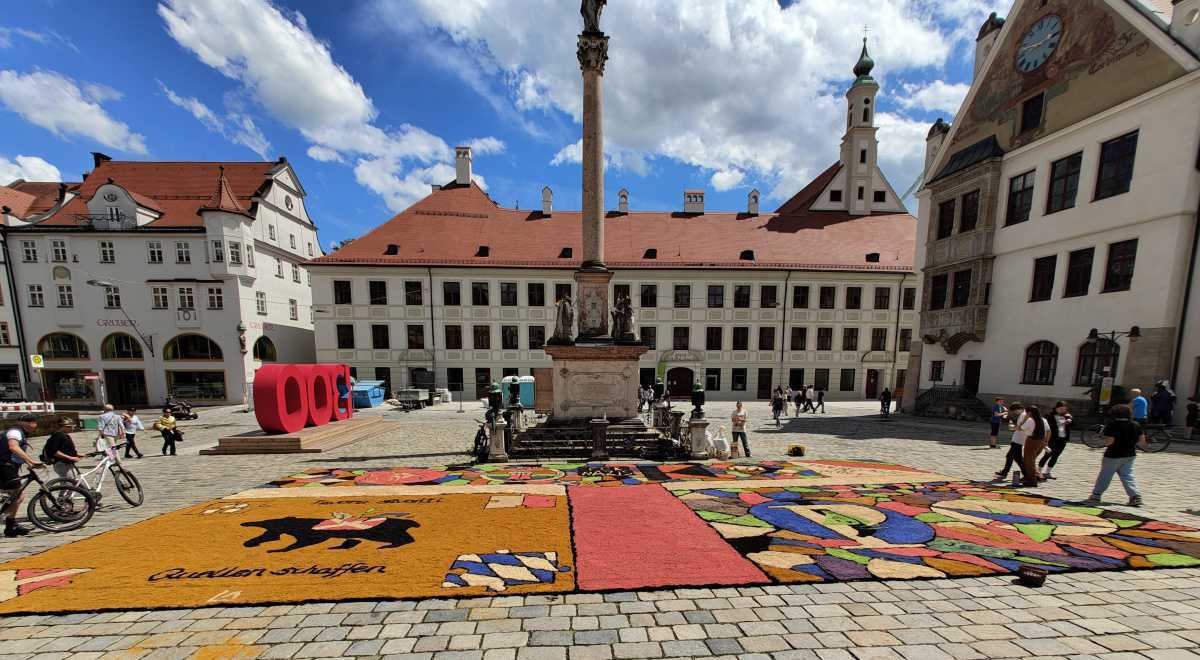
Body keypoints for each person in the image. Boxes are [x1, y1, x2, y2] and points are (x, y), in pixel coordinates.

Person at [1083, 404, 1147, 506]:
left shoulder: (1112, 425)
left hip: (1113, 454)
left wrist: (1103, 441)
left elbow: (1109, 442)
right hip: (1130, 454)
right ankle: (1135, 496)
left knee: (1105, 475)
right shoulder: (1135, 424)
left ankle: (1096, 495)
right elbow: (1142, 441)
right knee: (1127, 475)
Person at [2, 414, 43, 537]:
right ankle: (10, 527)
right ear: (28, 423)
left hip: (8, 466)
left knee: (14, 496)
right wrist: (30, 460)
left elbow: (17, 452)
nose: (36, 425)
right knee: (17, 495)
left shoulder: (20, 432)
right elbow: (13, 447)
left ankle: (11, 526)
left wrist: (26, 463)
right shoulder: (15, 432)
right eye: (35, 422)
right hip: (4, 466)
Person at [1038, 401, 1073, 480]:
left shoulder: (1067, 416)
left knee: (1056, 455)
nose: (1062, 411)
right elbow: (1047, 427)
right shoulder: (1049, 416)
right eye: (1060, 409)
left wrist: (1070, 420)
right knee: (1047, 455)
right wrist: (1063, 423)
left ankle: (1047, 472)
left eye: (1064, 409)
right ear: (1056, 408)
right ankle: (1038, 472)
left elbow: (1072, 426)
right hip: (1052, 438)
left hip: (1063, 438)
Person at [993, 403, 1027, 481]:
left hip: (1019, 440)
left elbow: (1023, 427)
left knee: (1010, 456)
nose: (1015, 413)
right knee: (1018, 458)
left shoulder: (1024, 415)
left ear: (1018, 409)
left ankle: (1005, 472)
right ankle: (1026, 473)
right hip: (1017, 439)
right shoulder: (1022, 415)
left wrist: (1014, 427)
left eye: (1015, 411)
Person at [1021, 405, 1048, 487]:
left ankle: (1032, 481)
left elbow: (1021, 427)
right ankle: (1033, 478)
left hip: (1032, 441)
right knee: (1031, 460)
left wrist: (1024, 419)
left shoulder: (1030, 420)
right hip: (1040, 440)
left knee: (1029, 461)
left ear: (1029, 413)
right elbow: (1048, 431)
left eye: (1026, 412)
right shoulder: (1042, 420)